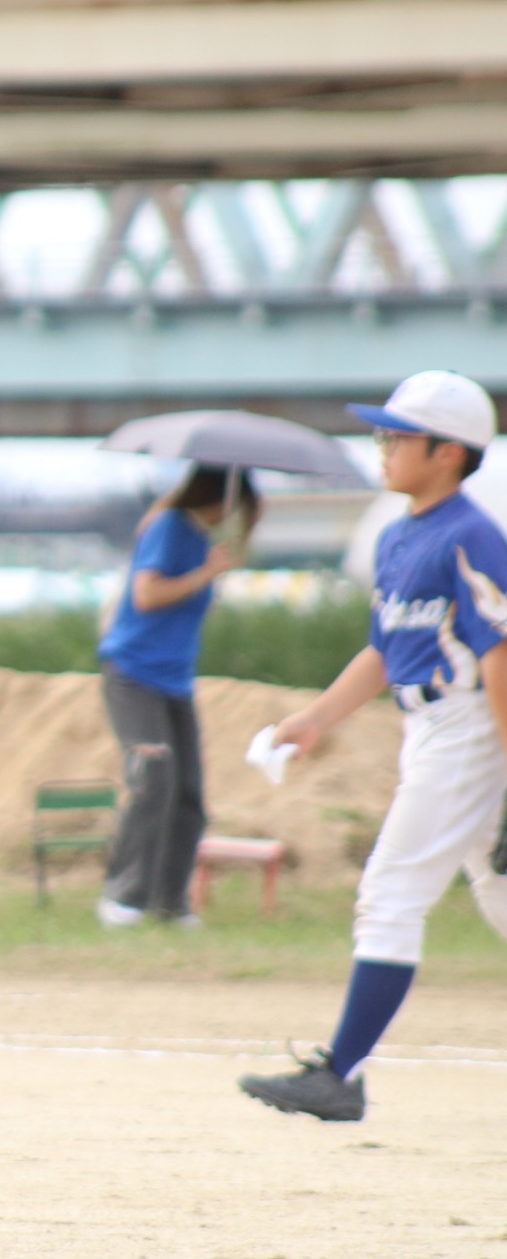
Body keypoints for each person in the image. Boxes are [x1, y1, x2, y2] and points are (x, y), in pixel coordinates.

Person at [239, 370, 507, 1122]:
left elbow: (499, 656)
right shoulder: (398, 535)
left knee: (390, 894)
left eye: (398, 435)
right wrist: (314, 719)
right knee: (499, 895)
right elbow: (386, 650)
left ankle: (340, 1074)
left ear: (448, 452)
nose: (382, 446)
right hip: (428, 728)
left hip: (469, 726)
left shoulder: (472, 537)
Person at [93, 463, 260, 929]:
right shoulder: (169, 526)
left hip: (174, 681)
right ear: (223, 500)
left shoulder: (199, 539)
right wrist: (206, 572)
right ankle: (123, 896)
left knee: (188, 794)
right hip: (134, 675)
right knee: (154, 780)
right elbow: (146, 594)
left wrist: (210, 573)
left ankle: (169, 902)